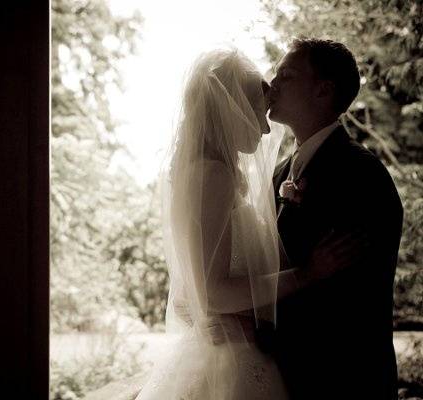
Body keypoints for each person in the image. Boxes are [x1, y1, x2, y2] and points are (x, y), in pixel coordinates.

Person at [135, 46, 361, 400]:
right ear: (232, 110)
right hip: (230, 362)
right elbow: (210, 292)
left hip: (239, 349)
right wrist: (306, 274)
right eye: (259, 113)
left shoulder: (212, 173)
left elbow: (194, 287)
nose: (266, 129)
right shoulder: (215, 175)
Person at [269, 38, 403, 400]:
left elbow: (351, 295)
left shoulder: (362, 175)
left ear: (323, 91)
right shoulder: (279, 174)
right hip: (288, 377)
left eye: (287, 75)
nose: (273, 83)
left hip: (344, 380)